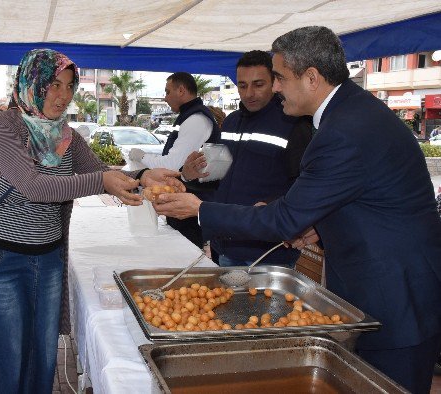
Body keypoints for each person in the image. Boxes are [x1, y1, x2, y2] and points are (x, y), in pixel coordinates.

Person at [154, 26, 441, 393]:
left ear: (311, 78)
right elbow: (366, 196)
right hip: (380, 287)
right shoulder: (349, 113)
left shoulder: (345, 129)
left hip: (397, 298)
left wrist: (199, 210)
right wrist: (319, 225)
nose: (274, 89)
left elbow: (285, 218)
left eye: (278, 78)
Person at [0, 48, 182, 394]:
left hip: (47, 260)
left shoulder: (66, 135)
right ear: (32, 82)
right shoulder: (3, 126)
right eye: (53, 85)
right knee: (2, 361)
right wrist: (101, 182)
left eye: (68, 87)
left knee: (40, 357)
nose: (62, 96)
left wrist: (142, 176)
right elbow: (33, 186)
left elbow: (99, 173)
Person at [183, 50, 312, 268]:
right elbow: (217, 178)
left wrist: (271, 207)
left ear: (275, 82)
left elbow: (304, 188)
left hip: (265, 254)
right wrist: (191, 176)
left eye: (258, 84)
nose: (249, 93)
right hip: (221, 244)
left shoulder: (294, 124)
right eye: (242, 85)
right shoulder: (232, 122)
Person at [129, 72, 220, 248]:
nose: (165, 97)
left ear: (181, 90)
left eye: (168, 92)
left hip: (192, 203)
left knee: (185, 254)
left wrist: (142, 157)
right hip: (184, 198)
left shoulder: (196, 120)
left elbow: (172, 165)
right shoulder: (189, 116)